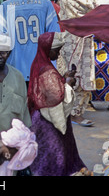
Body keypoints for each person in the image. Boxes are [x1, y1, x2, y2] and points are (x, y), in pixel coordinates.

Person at [57, 0, 109, 127]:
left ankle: (77, 111)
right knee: (76, 77)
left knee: (83, 75)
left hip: (81, 39)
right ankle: (74, 114)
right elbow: (93, 6)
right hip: (75, 41)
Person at [27, 32, 86, 176]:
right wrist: (68, 85)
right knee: (55, 156)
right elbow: (54, 98)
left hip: (39, 117)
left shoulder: (40, 64)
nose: (58, 55)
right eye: (57, 51)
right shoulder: (47, 71)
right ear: (48, 49)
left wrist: (63, 79)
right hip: (48, 122)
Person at [0, 0, 60, 84]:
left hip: (14, 70)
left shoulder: (6, 6)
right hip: (41, 69)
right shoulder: (45, 4)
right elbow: (55, 37)